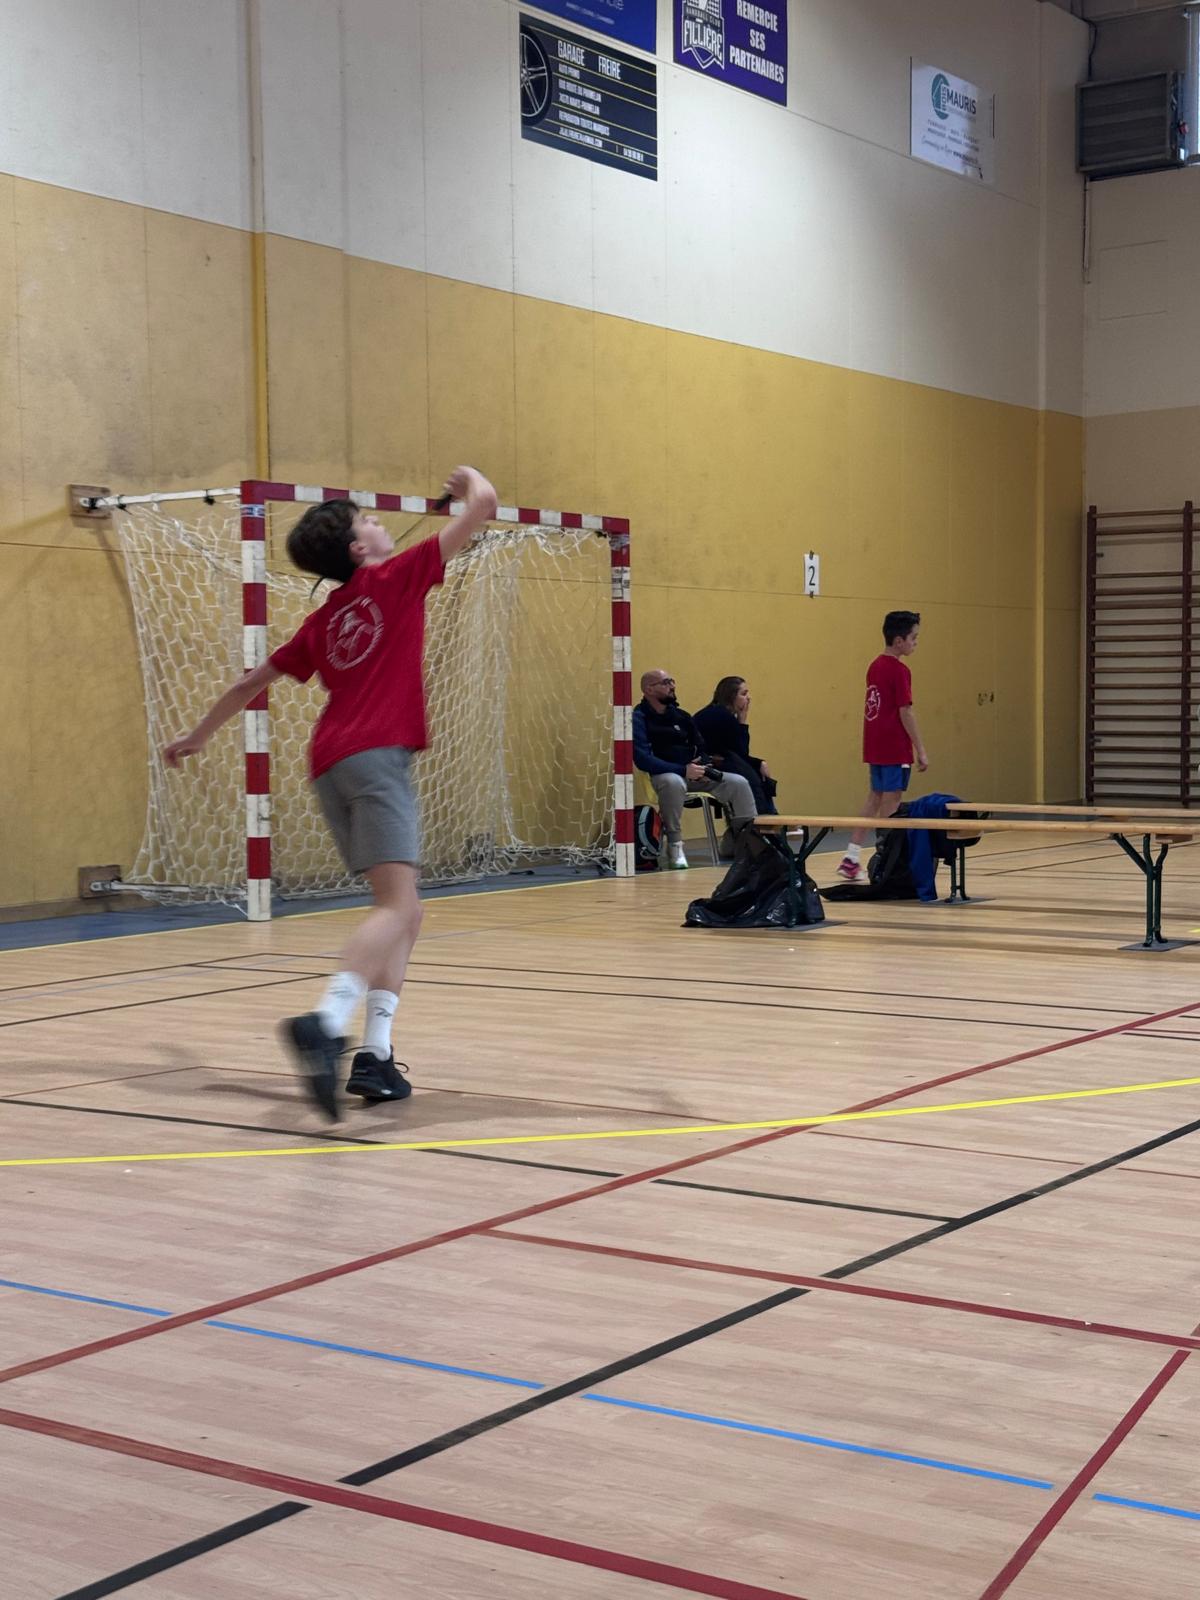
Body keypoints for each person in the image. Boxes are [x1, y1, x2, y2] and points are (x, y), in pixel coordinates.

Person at [163, 465, 499, 1118]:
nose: (378, 523)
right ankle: (326, 1021)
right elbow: (483, 502)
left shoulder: (324, 619)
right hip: (377, 758)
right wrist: (467, 483)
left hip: (330, 763)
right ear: (357, 548)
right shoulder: (397, 576)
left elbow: (248, 683)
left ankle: (375, 1057)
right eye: (367, 521)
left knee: (405, 909)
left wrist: (198, 736)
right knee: (397, 908)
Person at [632, 670, 756, 869]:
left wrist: (703, 765)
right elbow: (643, 759)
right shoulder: (638, 718)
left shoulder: (682, 716)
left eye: (672, 681)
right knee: (672, 781)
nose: (672, 686)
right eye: (666, 682)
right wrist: (682, 770)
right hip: (663, 776)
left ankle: (745, 841)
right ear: (649, 689)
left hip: (693, 774)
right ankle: (675, 844)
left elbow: (701, 747)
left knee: (738, 782)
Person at [837, 610, 928, 882]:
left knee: (874, 799)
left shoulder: (874, 665)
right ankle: (887, 861)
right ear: (899, 640)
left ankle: (851, 857)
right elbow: (905, 711)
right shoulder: (900, 670)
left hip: (875, 745)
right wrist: (920, 749)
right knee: (891, 805)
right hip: (894, 747)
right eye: (913, 638)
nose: (916, 643)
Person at [693, 676, 778, 818]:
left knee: (755, 768)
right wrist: (742, 720)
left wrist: (759, 762)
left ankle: (765, 817)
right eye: (743, 694)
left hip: (714, 761)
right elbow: (741, 752)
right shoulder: (721, 715)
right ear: (731, 696)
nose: (749, 698)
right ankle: (763, 817)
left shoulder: (717, 712)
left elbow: (735, 751)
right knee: (751, 773)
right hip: (705, 767)